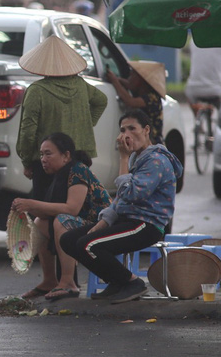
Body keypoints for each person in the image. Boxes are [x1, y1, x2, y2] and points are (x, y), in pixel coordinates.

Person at [60, 109, 180, 303]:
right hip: (126, 220)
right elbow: (120, 200)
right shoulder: (137, 158)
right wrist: (105, 220)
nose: (127, 135)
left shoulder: (157, 161)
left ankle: (132, 283)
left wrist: (122, 159)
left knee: (87, 245)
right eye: (123, 129)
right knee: (69, 240)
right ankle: (117, 282)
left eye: (133, 128)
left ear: (146, 130)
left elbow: (132, 195)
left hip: (146, 224)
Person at [11, 132, 110, 301]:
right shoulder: (57, 175)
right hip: (80, 226)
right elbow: (46, 212)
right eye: (41, 154)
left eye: (48, 154)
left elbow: (71, 209)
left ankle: (68, 282)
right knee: (40, 223)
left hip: (102, 227)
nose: (43, 159)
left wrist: (32, 204)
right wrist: (23, 208)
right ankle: (50, 281)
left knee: (62, 221)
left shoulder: (78, 170)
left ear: (66, 156)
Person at [16, 36, 108, 201]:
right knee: (73, 210)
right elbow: (102, 101)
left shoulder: (37, 91)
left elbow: (28, 130)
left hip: (47, 162)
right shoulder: (81, 85)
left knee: (44, 212)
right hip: (78, 158)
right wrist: (86, 123)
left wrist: (27, 160)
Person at [106, 60, 165, 144]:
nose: (129, 78)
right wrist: (118, 79)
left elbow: (130, 101)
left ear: (141, 80)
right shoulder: (146, 94)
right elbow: (130, 84)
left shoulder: (152, 98)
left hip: (151, 143)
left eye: (132, 75)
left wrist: (115, 81)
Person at [183, 38, 221, 107]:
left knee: (190, 98)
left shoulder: (194, 40)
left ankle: (197, 115)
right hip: (219, 89)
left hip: (193, 88)